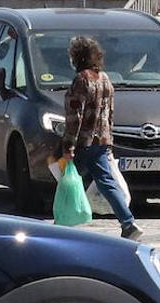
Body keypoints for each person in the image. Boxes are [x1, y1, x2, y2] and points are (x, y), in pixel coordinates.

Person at [55, 36, 143, 241]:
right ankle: (127, 222)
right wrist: (108, 140)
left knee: (64, 178)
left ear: (77, 57)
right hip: (102, 141)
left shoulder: (81, 80)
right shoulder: (105, 79)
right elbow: (110, 112)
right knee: (106, 181)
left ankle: (62, 224)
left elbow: (74, 118)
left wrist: (68, 146)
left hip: (83, 142)